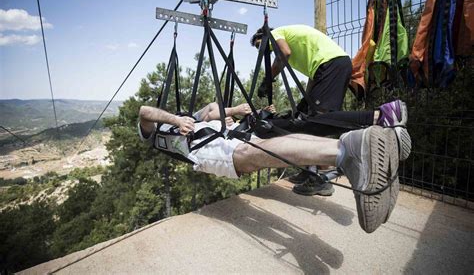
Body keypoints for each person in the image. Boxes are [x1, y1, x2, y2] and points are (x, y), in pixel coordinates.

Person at [138, 102, 411, 233]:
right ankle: (355, 149)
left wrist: (234, 111)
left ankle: (347, 153)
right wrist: (179, 119)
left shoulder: (174, 123)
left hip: (208, 147)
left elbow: (208, 110)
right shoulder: (151, 134)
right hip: (211, 140)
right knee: (272, 146)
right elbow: (145, 115)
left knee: (251, 156)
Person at [250, 24, 355, 195]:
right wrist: (305, 102)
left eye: (259, 45)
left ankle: (320, 179)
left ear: (265, 37)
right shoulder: (288, 38)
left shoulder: (275, 33)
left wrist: (266, 80)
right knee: (303, 117)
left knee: (317, 123)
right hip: (328, 68)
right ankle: (308, 171)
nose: (261, 51)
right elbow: (314, 75)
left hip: (332, 65)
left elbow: (284, 53)